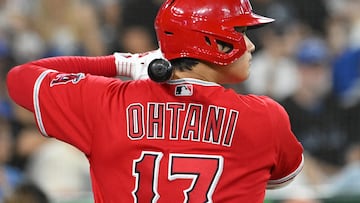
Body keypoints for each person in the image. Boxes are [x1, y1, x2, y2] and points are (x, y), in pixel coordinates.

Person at [6, 0, 304, 202]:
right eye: (240, 32)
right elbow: (283, 177)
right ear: (214, 42)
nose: (251, 45)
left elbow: (20, 78)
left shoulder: (108, 101)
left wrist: (120, 63)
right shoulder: (265, 116)